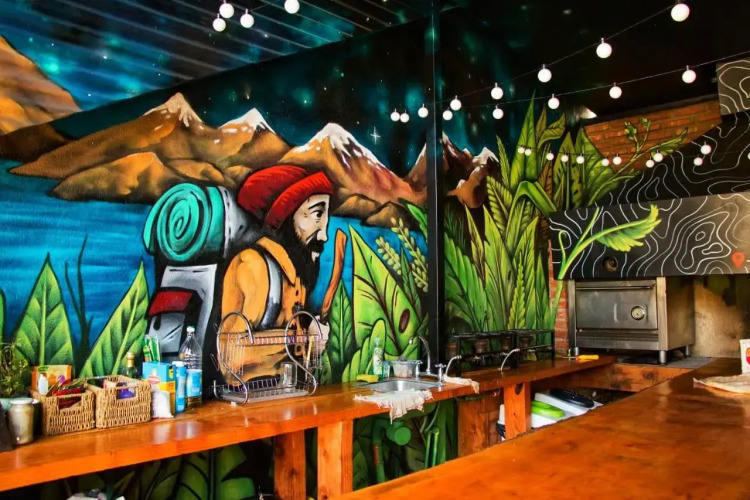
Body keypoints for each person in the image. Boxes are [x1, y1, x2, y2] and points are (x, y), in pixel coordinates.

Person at [221, 165, 333, 379]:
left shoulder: (295, 276)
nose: (324, 236)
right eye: (317, 214)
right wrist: (304, 340)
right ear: (287, 215)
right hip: (249, 398)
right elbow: (231, 360)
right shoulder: (255, 266)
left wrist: (312, 345)